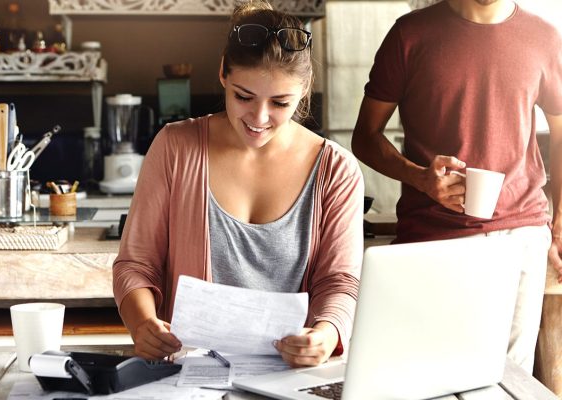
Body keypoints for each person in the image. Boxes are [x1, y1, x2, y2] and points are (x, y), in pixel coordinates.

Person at [113, 0, 364, 368]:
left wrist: (326, 335)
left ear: (305, 87)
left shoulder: (336, 170)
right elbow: (136, 265)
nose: (259, 118)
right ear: (223, 75)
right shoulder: (175, 147)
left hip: (292, 378)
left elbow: (340, 282)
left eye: (280, 102)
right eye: (243, 97)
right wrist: (143, 323)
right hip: (187, 374)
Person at [351, 0, 562, 373]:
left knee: (508, 381)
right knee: (432, 377)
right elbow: (365, 137)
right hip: (432, 237)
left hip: (521, 234)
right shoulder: (409, 35)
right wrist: (420, 177)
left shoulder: (544, 37)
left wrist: (559, 222)